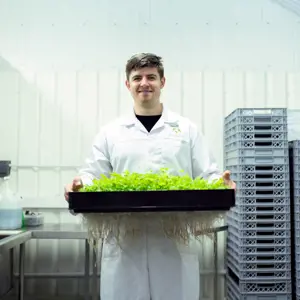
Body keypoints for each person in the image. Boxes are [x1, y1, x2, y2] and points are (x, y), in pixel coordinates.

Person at [64, 53, 236, 300]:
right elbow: (93, 176)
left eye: (151, 77)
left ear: (162, 82)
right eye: (137, 78)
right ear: (128, 85)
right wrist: (79, 186)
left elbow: (207, 174)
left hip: (173, 239)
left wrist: (221, 185)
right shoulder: (111, 132)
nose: (144, 83)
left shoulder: (185, 129)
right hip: (125, 241)